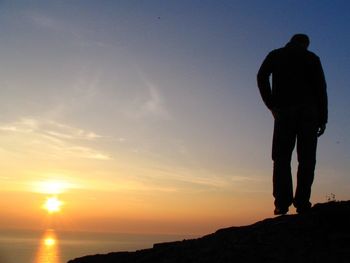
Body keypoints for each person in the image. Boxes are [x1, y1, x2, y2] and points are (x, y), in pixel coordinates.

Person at [257, 34, 328, 215]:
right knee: (307, 159)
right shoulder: (312, 58)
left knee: (281, 158)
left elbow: (261, 76)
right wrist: (323, 118)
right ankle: (302, 202)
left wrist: (271, 104)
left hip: (284, 112)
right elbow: (321, 89)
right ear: (305, 44)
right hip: (309, 114)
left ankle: (282, 204)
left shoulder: (276, 54)